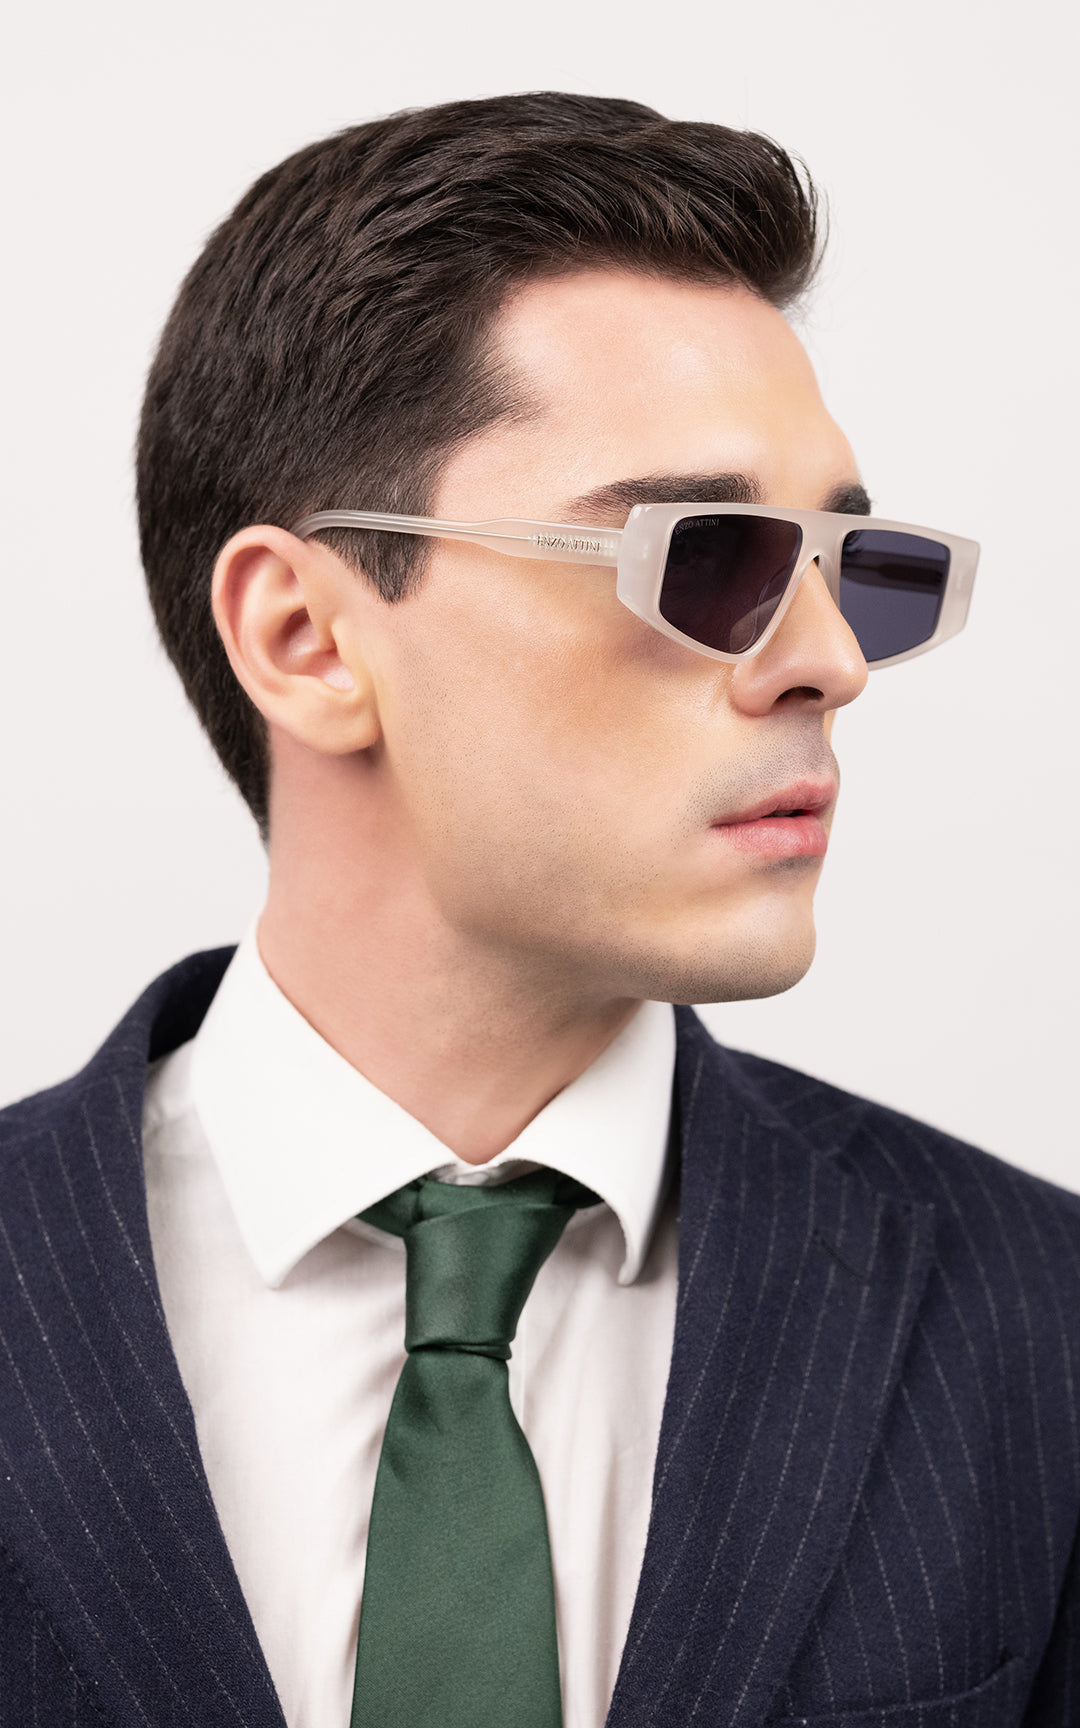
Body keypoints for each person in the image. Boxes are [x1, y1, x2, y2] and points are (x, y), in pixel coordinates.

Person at [0, 91, 1074, 1728]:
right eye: (706, 555)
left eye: (852, 570)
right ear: (305, 636)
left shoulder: (1039, 1328)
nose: (830, 662)